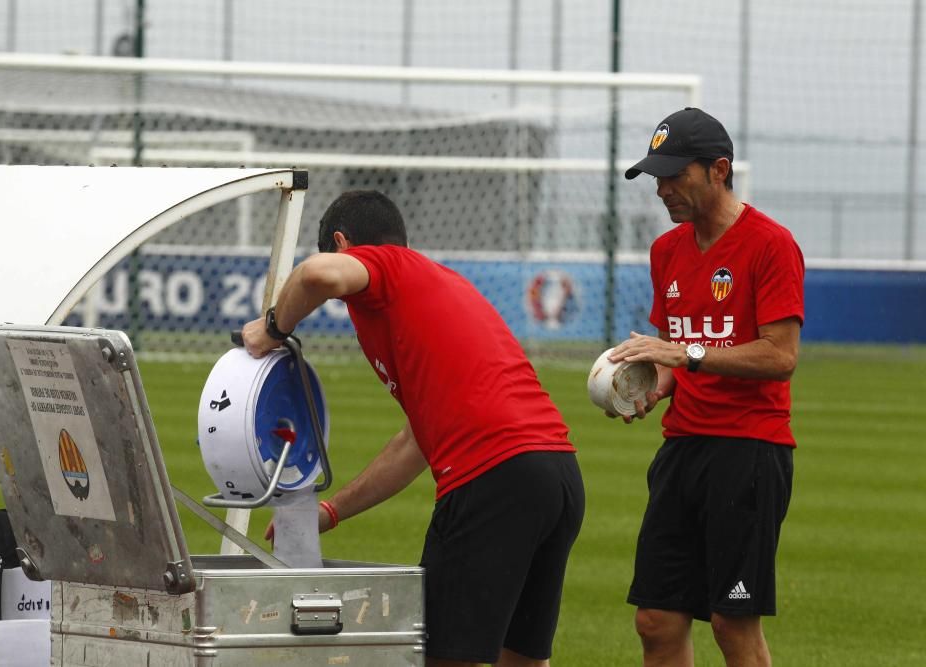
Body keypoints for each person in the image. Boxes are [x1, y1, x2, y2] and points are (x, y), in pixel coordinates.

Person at [242, 190, 585, 667]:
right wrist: (332, 511)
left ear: (345, 244)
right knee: (522, 658)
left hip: (493, 478)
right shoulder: (436, 284)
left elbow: (316, 273)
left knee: (441, 656)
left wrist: (274, 327)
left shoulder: (386, 269)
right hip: (556, 474)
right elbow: (414, 443)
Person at [611, 108, 804, 667]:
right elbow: (680, 355)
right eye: (656, 177)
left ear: (720, 169)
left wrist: (683, 355)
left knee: (731, 623)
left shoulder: (771, 244)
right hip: (682, 449)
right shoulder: (666, 251)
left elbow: (780, 356)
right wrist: (649, 384)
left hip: (749, 451)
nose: (662, 189)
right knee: (656, 619)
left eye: (675, 175)